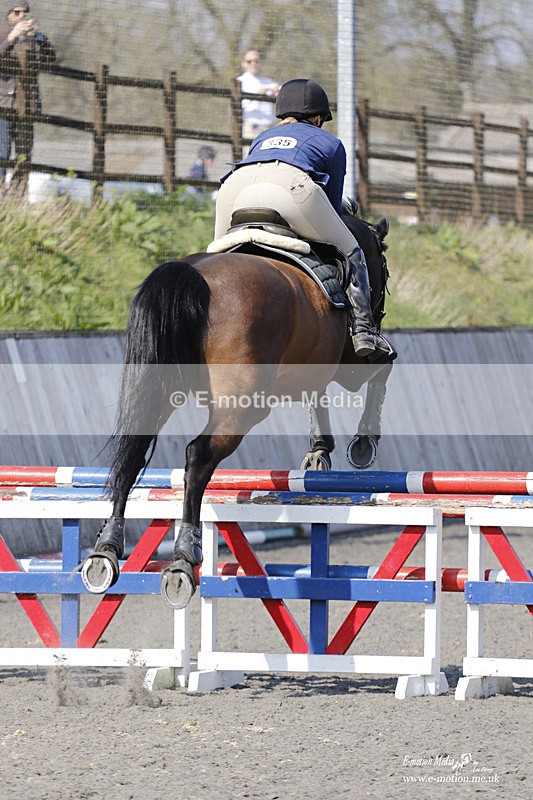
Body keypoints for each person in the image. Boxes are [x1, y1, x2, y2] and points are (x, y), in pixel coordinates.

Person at [214, 78, 393, 360]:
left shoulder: (262, 137)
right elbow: (332, 207)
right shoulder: (330, 143)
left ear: (282, 113)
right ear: (319, 118)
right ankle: (363, 330)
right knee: (353, 251)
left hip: (234, 189)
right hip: (292, 189)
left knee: (218, 255)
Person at [0, 2, 55, 181]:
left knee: (24, 155)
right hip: (3, 105)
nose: (22, 15)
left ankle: (17, 196)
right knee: (2, 152)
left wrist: (38, 36)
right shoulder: (2, 35)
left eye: (26, 12)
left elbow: (50, 60)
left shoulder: (36, 39)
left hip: (27, 105)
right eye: (17, 12)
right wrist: (11, 38)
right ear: (9, 16)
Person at [236, 49, 280, 140]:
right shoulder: (239, 82)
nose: (253, 64)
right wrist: (257, 96)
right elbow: (238, 109)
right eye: (249, 61)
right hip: (251, 126)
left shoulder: (269, 82)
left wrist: (278, 91)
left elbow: (283, 90)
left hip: (269, 127)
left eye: (257, 61)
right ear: (243, 63)